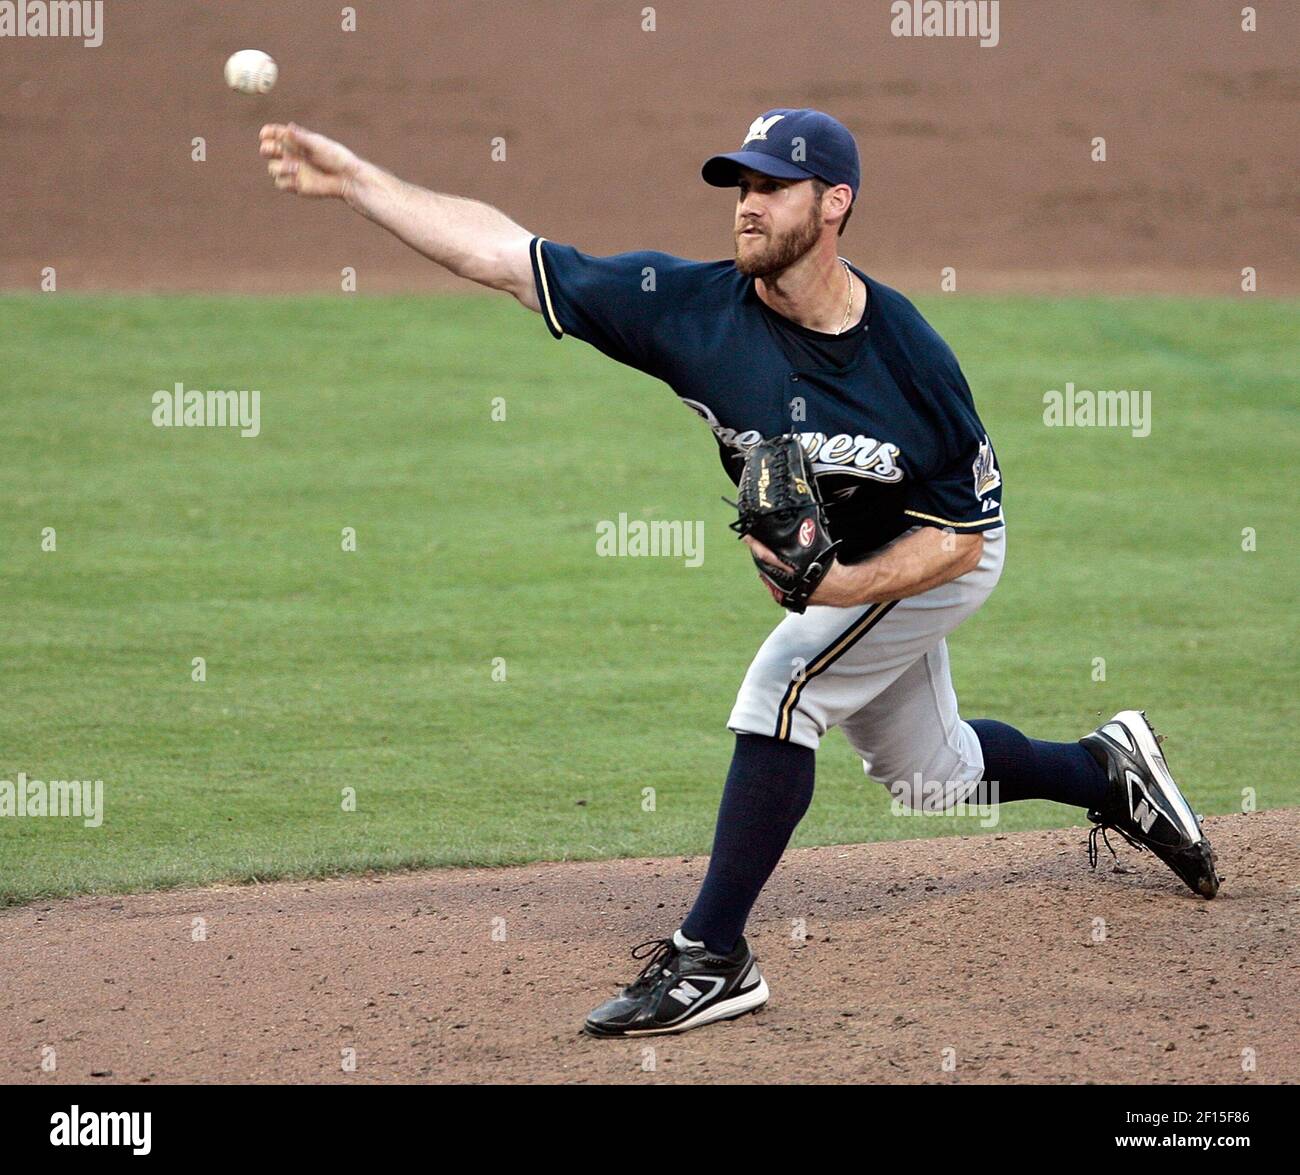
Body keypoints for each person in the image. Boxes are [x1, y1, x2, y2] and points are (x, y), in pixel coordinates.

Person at [259, 106, 1220, 1039]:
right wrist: (357, 184)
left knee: (785, 682)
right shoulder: (686, 309)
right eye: (739, 185)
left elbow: (966, 538)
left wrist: (833, 587)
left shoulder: (909, 356)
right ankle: (1109, 770)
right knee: (932, 772)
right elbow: (508, 257)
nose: (747, 203)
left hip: (933, 555)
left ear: (834, 202)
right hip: (855, 569)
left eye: (773, 186)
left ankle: (711, 956)